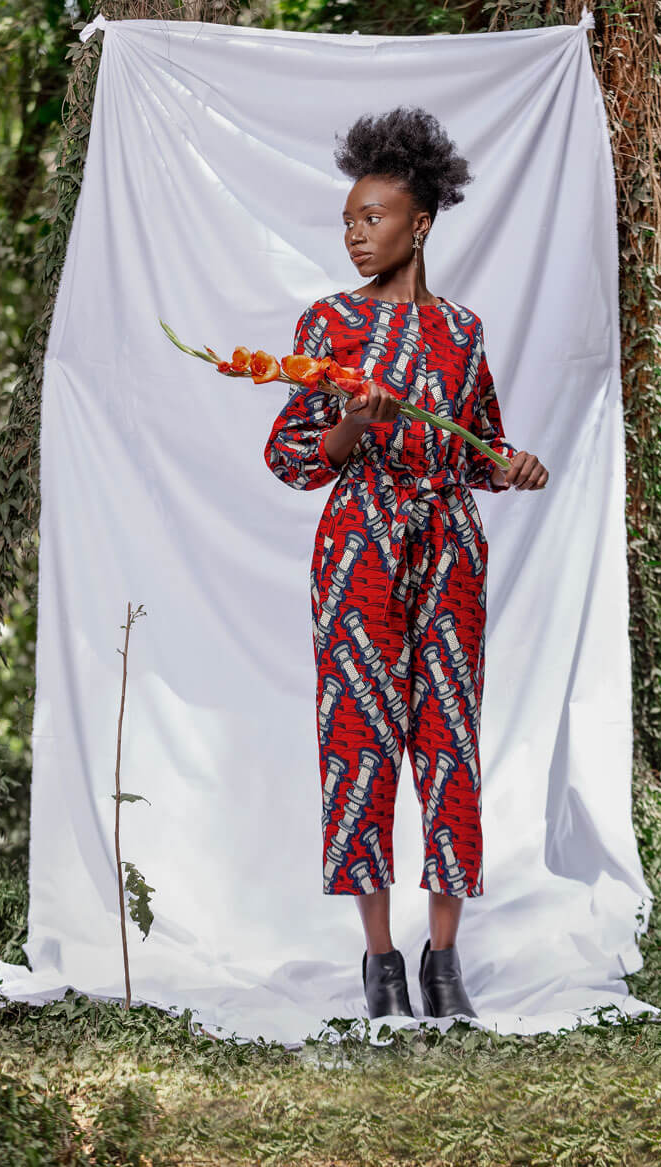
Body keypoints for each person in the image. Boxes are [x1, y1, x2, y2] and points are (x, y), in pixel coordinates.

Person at [264, 106, 548, 1022]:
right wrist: (355, 422)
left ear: (419, 224)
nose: (355, 233)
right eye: (348, 219)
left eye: (373, 216)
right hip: (359, 555)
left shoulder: (463, 331)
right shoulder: (327, 325)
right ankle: (381, 959)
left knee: (449, 739)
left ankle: (445, 958)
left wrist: (513, 465)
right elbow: (290, 455)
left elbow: (478, 448)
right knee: (360, 742)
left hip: (450, 553)